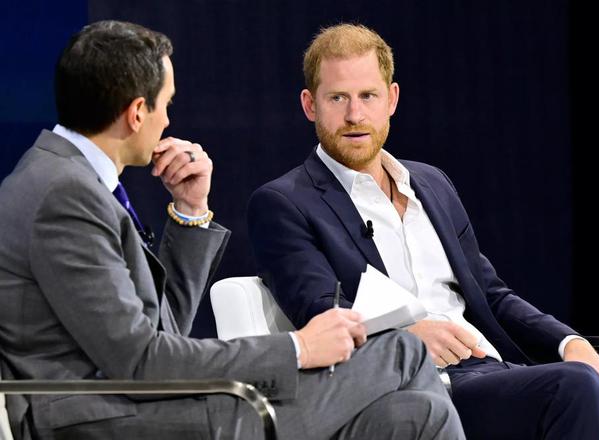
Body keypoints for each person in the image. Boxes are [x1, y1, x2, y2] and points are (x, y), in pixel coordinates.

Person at [0, 20, 464, 440]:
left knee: (414, 413)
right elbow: (140, 362)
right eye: (167, 105)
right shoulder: (64, 196)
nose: (168, 120)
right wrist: (297, 348)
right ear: (137, 112)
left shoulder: (70, 181)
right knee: (402, 353)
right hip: (96, 418)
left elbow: (162, 332)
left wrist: (191, 210)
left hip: (131, 403)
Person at [247, 23, 599, 439]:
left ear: (391, 99)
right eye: (338, 98)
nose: (355, 115)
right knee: (570, 386)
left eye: (367, 95)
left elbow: (491, 295)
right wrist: (406, 338)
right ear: (309, 105)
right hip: (419, 389)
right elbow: (320, 312)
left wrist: (567, 343)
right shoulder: (285, 203)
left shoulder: (431, 184)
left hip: (496, 371)